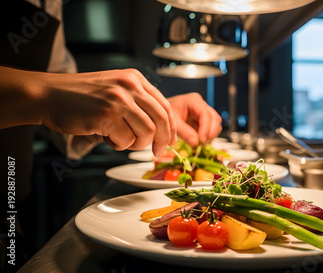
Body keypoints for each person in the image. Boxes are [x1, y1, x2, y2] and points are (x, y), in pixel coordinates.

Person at [0, 1, 221, 271]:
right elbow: (53, 91)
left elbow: (64, 97)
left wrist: (150, 112)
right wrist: (46, 94)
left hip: (12, 198)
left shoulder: (52, 4)